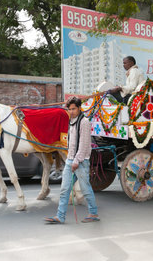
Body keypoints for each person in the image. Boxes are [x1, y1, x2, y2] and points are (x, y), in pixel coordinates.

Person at [44, 96, 99, 224]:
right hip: (70, 160)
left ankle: (93, 213)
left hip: (81, 161)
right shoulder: (71, 121)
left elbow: (84, 144)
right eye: (69, 109)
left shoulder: (84, 122)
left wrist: (76, 160)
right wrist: (70, 159)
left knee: (85, 189)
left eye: (74, 109)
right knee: (64, 189)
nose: (71, 111)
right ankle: (60, 216)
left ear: (79, 108)